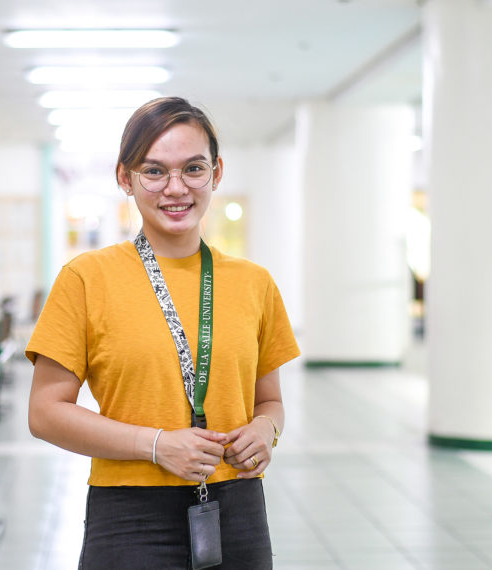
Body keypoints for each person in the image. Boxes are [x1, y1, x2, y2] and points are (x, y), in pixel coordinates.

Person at [26, 96, 300, 568]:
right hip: (131, 514)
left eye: (193, 168)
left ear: (216, 173)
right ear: (124, 178)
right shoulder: (87, 278)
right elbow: (45, 413)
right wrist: (156, 445)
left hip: (236, 508)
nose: (176, 188)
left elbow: (269, 403)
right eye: (154, 171)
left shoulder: (254, 283)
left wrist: (265, 429)